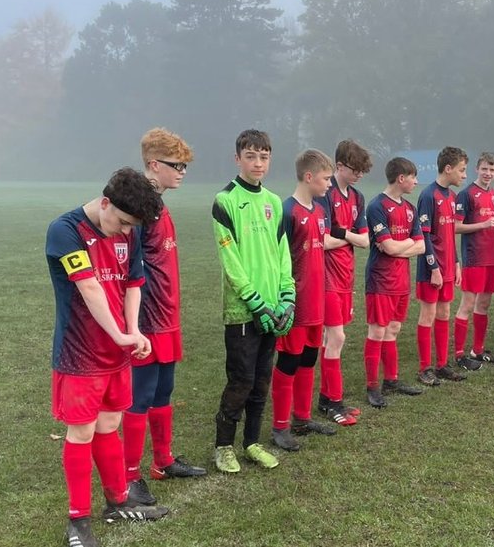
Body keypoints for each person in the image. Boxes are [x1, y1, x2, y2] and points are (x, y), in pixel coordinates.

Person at [45, 167, 168, 547]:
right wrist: (119, 335)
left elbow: (133, 285)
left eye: (133, 226)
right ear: (104, 203)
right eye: (124, 222)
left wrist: (131, 333)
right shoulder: (64, 231)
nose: (127, 232)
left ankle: (117, 501)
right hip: (80, 353)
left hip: (116, 353)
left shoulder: (126, 233)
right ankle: (77, 521)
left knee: (109, 424)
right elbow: (89, 288)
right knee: (81, 431)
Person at [122, 129, 205, 511]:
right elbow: (130, 269)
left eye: (185, 165)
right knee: (139, 396)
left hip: (168, 315)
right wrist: (134, 323)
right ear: (154, 165)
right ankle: (129, 476)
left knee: (164, 390)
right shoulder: (137, 208)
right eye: (177, 165)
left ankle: (163, 461)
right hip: (148, 318)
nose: (183, 172)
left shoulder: (160, 203)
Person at [210, 129, 294, 474]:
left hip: (274, 309)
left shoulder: (274, 202)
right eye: (251, 156)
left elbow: (283, 254)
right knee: (241, 379)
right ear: (237, 159)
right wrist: (255, 302)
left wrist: (286, 296)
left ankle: (252, 442)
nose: (258, 163)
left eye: (264, 157)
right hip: (243, 311)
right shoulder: (225, 201)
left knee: (262, 380)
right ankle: (224, 446)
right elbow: (231, 261)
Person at [271, 149, 341, 452]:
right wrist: (283, 300)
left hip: (317, 301)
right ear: (309, 177)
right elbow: (277, 261)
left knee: (309, 359)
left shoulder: (320, 211)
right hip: (295, 304)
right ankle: (280, 427)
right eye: (326, 179)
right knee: (288, 361)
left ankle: (302, 417)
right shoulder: (286, 211)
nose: (329, 184)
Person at [316, 140, 372, 426]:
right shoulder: (325, 194)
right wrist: (349, 235)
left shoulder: (358, 197)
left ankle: (326, 399)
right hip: (325, 277)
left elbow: (365, 240)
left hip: (346, 276)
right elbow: (322, 241)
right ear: (339, 166)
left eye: (363, 171)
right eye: (355, 169)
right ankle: (334, 402)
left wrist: (344, 233)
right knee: (336, 338)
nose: (360, 174)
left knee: (331, 339)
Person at [364, 157, 426, 408]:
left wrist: (399, 247)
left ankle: (392, 380)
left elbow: (421, 246)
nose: (416, 181)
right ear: (401, 178)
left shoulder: (410, 208)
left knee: (393, 330)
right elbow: (387, 248)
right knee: (377, 331)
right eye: (413, 177)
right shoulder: (377, 206)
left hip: (401, 280)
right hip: (380, 280)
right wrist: (405, 245)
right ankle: (372, 387)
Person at [415, 147, 471, 385]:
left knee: (444, 313)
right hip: (432, 269)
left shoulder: (452, 197)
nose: (464, 175)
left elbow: (450, 235)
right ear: (448, 169)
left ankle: (441, 365)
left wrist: (456, 263)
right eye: (462, 170)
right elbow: (424, 237)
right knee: (427, 314)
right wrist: (434, 268)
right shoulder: (428, 196)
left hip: (449, 266)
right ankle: (425, 368)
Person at [453, 152, 494, 365]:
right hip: (474, 257)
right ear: (477, 169)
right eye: (484, 169)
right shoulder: (465, 195)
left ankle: (477, 350)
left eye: (492, 170)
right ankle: (459, 355)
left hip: (492, 257)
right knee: (467, 304)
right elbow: (455, 227)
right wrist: (483, 225)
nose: (488, 173)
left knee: (483, 304)